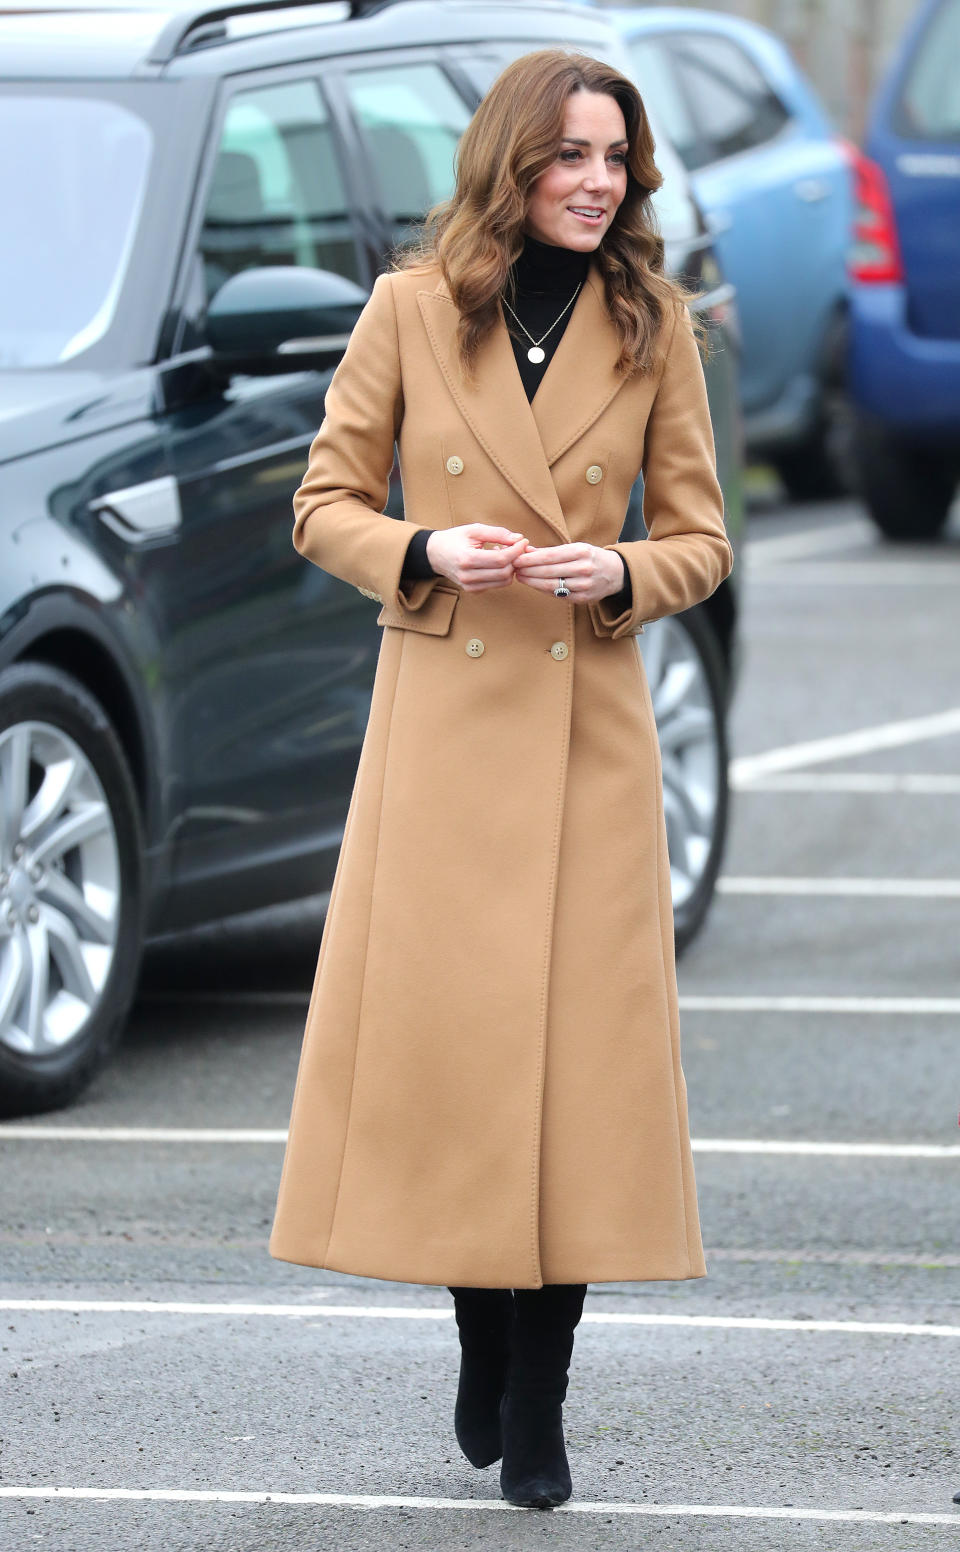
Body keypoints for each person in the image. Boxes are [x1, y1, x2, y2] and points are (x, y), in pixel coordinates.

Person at [270, 48, 733, 1510]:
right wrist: (422, 550)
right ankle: (481, 1330)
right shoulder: (411, 310)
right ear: (514, 163)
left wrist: (620, 569)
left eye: (618, 159)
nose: (599, 182)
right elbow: (321, 504)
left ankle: (541, 1407)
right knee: (466, 1071)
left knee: (580, 1090)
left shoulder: (652, 327)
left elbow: (707, 542)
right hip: (448, 738)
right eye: (573, 156)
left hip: (587, 736)